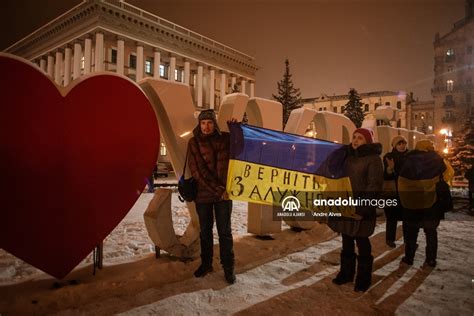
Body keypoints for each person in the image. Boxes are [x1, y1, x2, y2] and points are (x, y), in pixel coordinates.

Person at [329, 128, 383, 292]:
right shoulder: (348, 156)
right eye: (354, 137)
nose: (355, 140)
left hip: (361, 208)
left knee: (362, 242)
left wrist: (362, 209)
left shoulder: (373, 159)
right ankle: (346, 273)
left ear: (367, 141)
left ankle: (363, 278)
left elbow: (373, 186)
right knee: (346, 240)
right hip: (346, 205)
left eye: (360, 138)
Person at [187, 109, 236, 284]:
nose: (206, 127)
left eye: (209, 123)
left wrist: (237, 130)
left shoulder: (225, 138)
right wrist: (218, 190)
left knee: (225, 233)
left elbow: (242, 150)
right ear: (199, 125)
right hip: (204, 195)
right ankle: (206, 264)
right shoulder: (194, 143)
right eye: (203, 123)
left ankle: (229, 267)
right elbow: (198, 171)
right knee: (206, 233)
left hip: (224, 193)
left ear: (214, 123)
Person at [398, 139, 447, 267]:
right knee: (431, 232)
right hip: (431, 201)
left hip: (412, 202)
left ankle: (409, 258)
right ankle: (430, 259)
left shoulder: (409, 160)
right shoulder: (437, 160)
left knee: (411, 232)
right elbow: (446, 173)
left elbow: (402, 179)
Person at [382, 136, 409, 248]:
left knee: (407, 218)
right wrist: (390, 169)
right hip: (392, 190)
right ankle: (390, 239)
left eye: (403, 143)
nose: (402, 146)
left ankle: (408, 240)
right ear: (394, 145)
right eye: (399, 144)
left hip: (406, 191)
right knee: (392, 217)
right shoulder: (389, 157)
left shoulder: (410, 156)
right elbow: (385, 176)